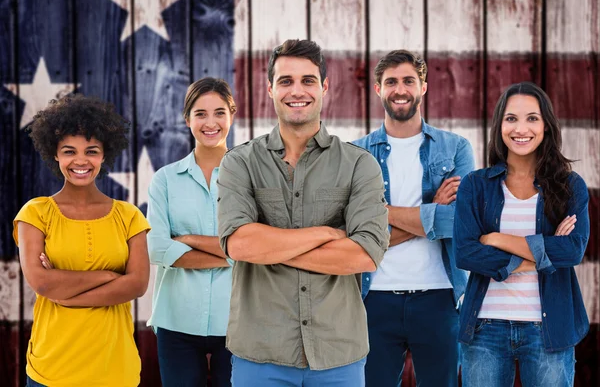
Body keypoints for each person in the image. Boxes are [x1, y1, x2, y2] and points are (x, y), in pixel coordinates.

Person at [217, 39, 389, 387]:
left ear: (324, 86)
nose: (297, 90)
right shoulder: (239, 163)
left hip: (338, 356)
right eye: (286, 81)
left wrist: (272, 248)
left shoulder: (359, 165)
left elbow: (366, 254)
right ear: (270, 89)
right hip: (260, 354)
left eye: (308, 80)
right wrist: (326, 234)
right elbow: (240, 245)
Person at [454, 81, 589, 387]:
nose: (521, 128)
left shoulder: (570, 186)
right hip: (484, 327)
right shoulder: (476, 185)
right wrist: (541, 253)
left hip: (549, 330)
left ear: (546, 126)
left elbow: (572, 250)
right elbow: (465, 253)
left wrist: (496, 239)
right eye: (511, 118)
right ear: (499, 125)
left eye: (532, 118)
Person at [353, 50, 475, 387]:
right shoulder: (355, 154)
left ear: (424, 86)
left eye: (408, 80)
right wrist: (432, 210)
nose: (400, 89)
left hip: (439, 298)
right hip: (372, 299)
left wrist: (380, 213)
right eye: (391, 82)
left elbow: (462, 224)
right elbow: (352, 232)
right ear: (378, 89)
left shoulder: (455, 149)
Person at [13, 95, 150, 387]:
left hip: (115, 369)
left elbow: (137, 285)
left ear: (104, 155)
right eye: (69, 151)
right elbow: (43, 283)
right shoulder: (35, 213)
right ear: (55, 155)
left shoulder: (129, 216)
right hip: (51, 370)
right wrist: (109, 276)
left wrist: (65, 296)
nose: (80, 160)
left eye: (91, 151)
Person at [146, 77, 235, 387]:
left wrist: (187, 241)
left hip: (237, 321)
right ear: (187, 119)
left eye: (219, 112)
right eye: (200, 113)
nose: (210, 122)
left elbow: (263, 248)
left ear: (231, 115)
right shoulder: (165, 180)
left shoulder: (251, 178)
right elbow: (157, 249)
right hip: (176, 320)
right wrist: (235, 255)